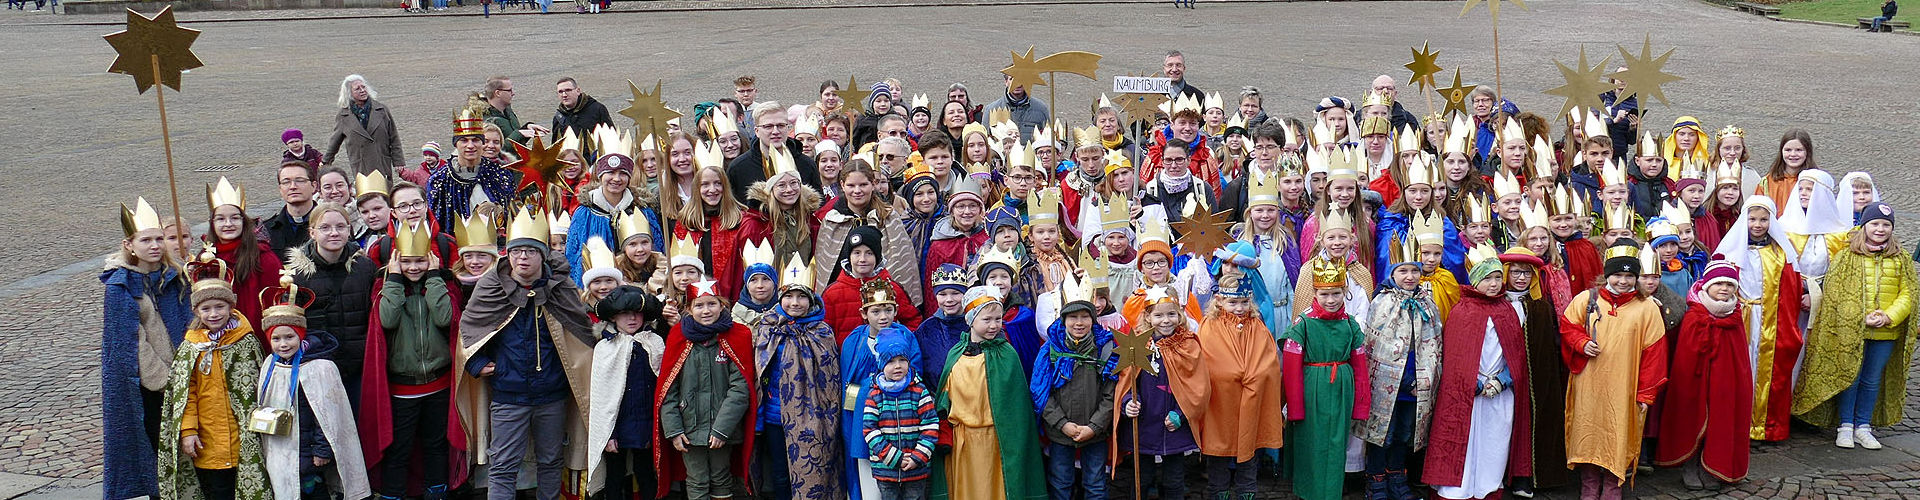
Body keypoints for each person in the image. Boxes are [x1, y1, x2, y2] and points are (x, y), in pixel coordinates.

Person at [459, 208, 596, 500]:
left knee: (550, 461)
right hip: (509, 394)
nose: (522, 257)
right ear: (507, 254)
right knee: (504, 465)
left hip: (552, 393)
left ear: (543, 255)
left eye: (530, 251)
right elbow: (470, 329)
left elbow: (580, 329)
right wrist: (478, 362)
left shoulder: (561, 287)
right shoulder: (491, 286)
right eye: (517, 251)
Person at [1794, 202, 1917, 449]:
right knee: (1851, 377)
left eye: (1886, 225)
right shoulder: (1847, 256)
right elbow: (1836, 292)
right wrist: (1859, 315)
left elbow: (1909, 293)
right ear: (1864, 226)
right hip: (1853, 330)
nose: (1880, 229)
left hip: (1885, 331)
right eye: (1875, 224)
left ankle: (1863, 425)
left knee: (1871, 379)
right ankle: (1845, 425)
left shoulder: (1900, 258)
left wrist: (1889, 316)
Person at [362, 220, 466, 500]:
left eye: (420, 261)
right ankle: (393, 494)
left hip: (438, 384)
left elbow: (445, 317)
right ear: (396, 261)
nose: (413, 267)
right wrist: (393, 280)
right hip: (402, 389)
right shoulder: (384, 288)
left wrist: (434, 277)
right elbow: (388, 318)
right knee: (399, 449)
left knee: (435, 445)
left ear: (430, 260)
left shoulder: (443, 286)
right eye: (406, 262)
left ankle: (437, 492)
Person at [1559, 239, 1669, 500]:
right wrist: (1581, 343)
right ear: (1607, 275)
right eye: (1617, 274)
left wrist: (1645, 393)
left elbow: (1655, 354)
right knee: (1587, 432)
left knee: (1618, 434)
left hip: (1624, 387)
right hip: (1589, 383)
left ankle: (1612, 484)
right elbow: (1567, 327)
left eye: (1629, 275)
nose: (1623, 281)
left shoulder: (1647, 308)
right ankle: (1588, 483)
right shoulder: (1586, 299)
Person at [103, 199, 193, 500]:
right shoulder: (121, 286)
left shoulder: (175, 276)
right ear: (129, 244)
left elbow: (189, 320)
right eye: (146, 240)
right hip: (152, 386)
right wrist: (166, 380)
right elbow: (131, 343)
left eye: (158, 239)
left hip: (185, 376)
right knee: (157, 447)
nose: (155, 245)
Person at [158, 256, 267, 500]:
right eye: (206, 309)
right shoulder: (191, 347)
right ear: (196, 310)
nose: (214, 314)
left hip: (242, 440)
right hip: (207, 442)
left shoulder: (245, 342)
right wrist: (187, 431)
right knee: (216, 491)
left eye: (220, 307)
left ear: (231, 307)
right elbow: (186, 393)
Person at [1424, 246, 1528, 500]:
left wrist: (1502, 381)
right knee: (1465, 441)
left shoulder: (1509, 310)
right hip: (1469, 393)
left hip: (1500, 392)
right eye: (1486, 279)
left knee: (1495, 441)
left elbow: (1516, 355)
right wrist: (1478, 384)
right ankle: (1457, 490)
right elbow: (1457, 359)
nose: (1493, 284)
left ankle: (1488, 486)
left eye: (1496, 277)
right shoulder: (1462, 311)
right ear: (1475, 281)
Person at [254, 295, 371, 500]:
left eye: (289, 337)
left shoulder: (320, 367)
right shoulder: (270, 365)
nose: (283, 344)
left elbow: (329, 416)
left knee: (314, 489)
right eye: (276, 338)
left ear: (301, 335)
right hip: (283, 448)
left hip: (311, 451)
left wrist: (322, 450)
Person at [937, 285, 1046, 500]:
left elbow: (1017, 407)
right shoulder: (956, 354)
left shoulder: (1006, 354)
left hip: (997, 439)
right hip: (964, 440)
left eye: (998, 319)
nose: (994, 325)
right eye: (986, 320)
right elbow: (944, 397)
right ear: (970, 320)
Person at [657, 279, 760, 500]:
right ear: (688, 309)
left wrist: (722, 429)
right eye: (699, 305)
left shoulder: (737, 336)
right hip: (689, 428)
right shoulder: (678, 337)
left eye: (712, 304)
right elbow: (668, 390)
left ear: (722, 306)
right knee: (696, 479)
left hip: (723, 427)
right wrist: (674, 430)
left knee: (722, 478)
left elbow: (740, 388)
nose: (706, 311)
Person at [1714, 196, 1805, 442]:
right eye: (1752, 219)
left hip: (1769, 320)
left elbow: (1790, 290)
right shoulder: (1731, 250)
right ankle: (1735, 424)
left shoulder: (1780, 253)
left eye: (1764, 219)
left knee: (1765, 373)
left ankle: (1765, 425)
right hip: (1739, 317)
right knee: (1738, 371)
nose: (1757, 224)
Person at [1653, 260, 1752, 488]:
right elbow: (1686, 355)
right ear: (1706, 285)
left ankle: (1713, 465)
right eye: (1719, 283)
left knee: (1721, 420)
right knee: (1691, 417)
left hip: (1724, 383)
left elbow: (1738, 358)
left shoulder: (1734, 317)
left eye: (1729, 284)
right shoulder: (1694, 316)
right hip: (1695, 380)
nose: (1724, 289)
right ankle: (1691, 463)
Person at [1194, 254, 1285, 499]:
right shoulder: (1209, 326)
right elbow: (1207, 360)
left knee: (1249, 453)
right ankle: (1218, 492)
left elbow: (1268, 361)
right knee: (1218, 455)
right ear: (1219, 301)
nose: (1239, 308)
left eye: (1244, 302)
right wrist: (1231, 373)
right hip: (1220, 402)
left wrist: (1253, 376)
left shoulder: (1258, 326)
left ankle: (1247, 492)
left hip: (1251, 400)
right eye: (1233, 302)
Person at [1281, 259, 1372, 500]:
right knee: (1311, 441)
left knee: (1335, 443)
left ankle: (1331, 492)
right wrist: (1295, 408)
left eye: (1336, 294)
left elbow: (1360, 365)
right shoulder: (1304, 324)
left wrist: (1361, 404)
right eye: (1325, 294)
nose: (1331, 300)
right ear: (1315, 293)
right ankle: (1309, 492)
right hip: (1312, 390)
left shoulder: (1350, 324)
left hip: (1342, 390)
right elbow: (1291, 369)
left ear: (1345, 292)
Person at [1108, 286, 1207, 500]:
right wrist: (1127, 403)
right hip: (1144, 424)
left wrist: (1180, 414)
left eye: (1171, 314)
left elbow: (1198, 386)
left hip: (1174, 426)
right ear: (1148, 317)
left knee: (1174, 481)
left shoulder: (1188, 345)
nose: (1166, 320)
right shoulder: (1139, 345)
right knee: (1141, 479)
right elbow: (1126, 380)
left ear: (1179, 315)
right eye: (1158, 315)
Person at [1360, 246, 1441, 500]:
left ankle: (1397, 476)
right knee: (1383, 433)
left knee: (1405, 434)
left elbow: (1435, 343)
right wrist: (1405, 381)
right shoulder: (1382, 302)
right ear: (1392, 273)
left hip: (1418, 385)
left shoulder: (1427, 302)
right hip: (1390, 385)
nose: (1410, 276)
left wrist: (1423, 379)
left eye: (1414, 270)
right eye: (1403, 271)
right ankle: (1376, 480)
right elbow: (1376, 345)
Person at [284, 202, 377, 410]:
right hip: (318, 364)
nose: (334, 233)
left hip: (359, 365)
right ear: (312, 233)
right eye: (325, 228)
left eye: (340, 227)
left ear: (349, 230)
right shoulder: (297, 275)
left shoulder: (365, 268)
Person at [1031, 273, 1116, 500]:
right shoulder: (1051, 350)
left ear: (1093, 319)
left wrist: (1095, 426)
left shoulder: (1105, 349)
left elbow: (1110, 394)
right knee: (1060, 483)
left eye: (1084, 317)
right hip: (1060, 432)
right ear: (1063, 319)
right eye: (1073, 317)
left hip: (1095, 432)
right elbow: (1041, 393)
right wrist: (1062, 424)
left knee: (1096, 484)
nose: (1079, 323)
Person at [840, 281, 921, 500]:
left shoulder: (906, 337)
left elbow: (915, 373)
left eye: (888, 309)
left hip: (901, 415)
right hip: (862, 416)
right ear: (864, 314)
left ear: (896, 310)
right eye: (876, 311)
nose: (883, 316)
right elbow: (846, 382)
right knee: (869, 481)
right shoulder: (854, 341)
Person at [584, 286, 666, 499]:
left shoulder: (654, 342)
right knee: (615, 475)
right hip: (617, 423)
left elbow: (663, 383)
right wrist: (609, 433)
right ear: (613, 316)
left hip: (647, 421)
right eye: (624, 314)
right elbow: (603, 395)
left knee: (647, 473)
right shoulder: (605, 347)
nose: (632, 318)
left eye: (637, 313)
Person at [861, 333, 940, 500]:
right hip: (886, 468)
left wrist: (919, 456)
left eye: (902, 360)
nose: (897, 366)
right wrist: (893, 456)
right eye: (890, 361)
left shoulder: (919, 391)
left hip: (916, 467)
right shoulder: (875, 394)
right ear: (881, 364)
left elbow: (930, 425)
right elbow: (870, 429)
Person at [203, 177, 284, 333]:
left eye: (234, 218)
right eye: (220, 219)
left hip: (255, 334)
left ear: (244, 222)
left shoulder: (263, 257)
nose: (228, 224)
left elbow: (275, 302)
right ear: (212, 223)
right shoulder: (205, 258)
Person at [426, 105, 517, 238]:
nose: (470, 146)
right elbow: (435, 224)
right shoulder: (439, 180)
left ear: (482, 143)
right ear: (456, 144)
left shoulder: (500, 176)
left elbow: (512, 216)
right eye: (464, 140)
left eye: (475, 140)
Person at [730, 102, 825, 206]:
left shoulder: (806, 164)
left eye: (780, 125)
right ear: (756, 131)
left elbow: (818, 208)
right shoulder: (739, 168)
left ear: (788, 128)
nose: (775, 131)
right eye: (768, 126)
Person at [324, 75, 405, 177]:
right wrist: (325, 162)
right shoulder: (343, 116)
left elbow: (394, 137)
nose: (362, 90)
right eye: (357, 89)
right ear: (349, 93)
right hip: (361, 167)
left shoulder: (382, 110)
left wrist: (399, 161)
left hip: (382, 163)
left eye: (363, 87)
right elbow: (334, 142)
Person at [550, 78, 615, 153]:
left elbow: (612, 136)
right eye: (560, 92)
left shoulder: (597, 109)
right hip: (572, 162)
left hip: (594, 161)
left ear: (578, 91)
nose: (564, 95)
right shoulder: (558, 118)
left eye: (568, 90)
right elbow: (555, 148)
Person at [979, 74, 1050, 142]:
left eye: (1021, 79)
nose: (1017, 83)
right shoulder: (991, 109)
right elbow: (985, 140)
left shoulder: (1041, 109)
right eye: (1012, 79)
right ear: (1006, 82)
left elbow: (1048, 138)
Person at [481, 76, 547, 145]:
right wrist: (519, 134)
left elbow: (515, 142)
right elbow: (493, 150)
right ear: (498, 93)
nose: (513, 93)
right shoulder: (487, 120)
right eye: (509, 90)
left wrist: (527, 128)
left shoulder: (507, 111)